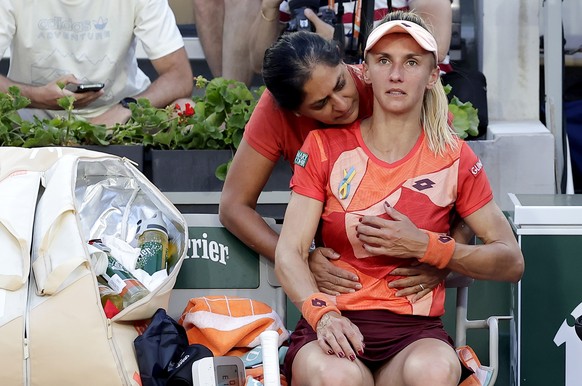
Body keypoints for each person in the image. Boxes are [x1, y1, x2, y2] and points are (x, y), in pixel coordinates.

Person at [274, 11, 524, 386]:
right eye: (384, 60)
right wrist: (323, 316)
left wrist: (428, 247)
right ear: (365, 70)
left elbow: (511, 260)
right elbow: (289, 251)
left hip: (415, 333)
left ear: (432, 75)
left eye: (411, 62)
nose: (396, 74)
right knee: (337, 376)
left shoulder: (454, 156)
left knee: (434, 370)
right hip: (333, 323)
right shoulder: (323, 147)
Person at [219, 29, 466, 299]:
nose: (341, 104)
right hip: (337, 291)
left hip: (414, 291)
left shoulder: (390, 85)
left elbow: (465, 189)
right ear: (296, 112)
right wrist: (301, 258)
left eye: (340, 84)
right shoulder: (274, 111)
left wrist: (443, 260)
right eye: (321, 103)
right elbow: (234, 207)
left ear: (344, 60)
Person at [0, 0, 194, 127]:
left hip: (121, 119)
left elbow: (180, 76)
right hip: (30, 117)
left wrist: (126, 108)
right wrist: (37, 97)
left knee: (185, 109)